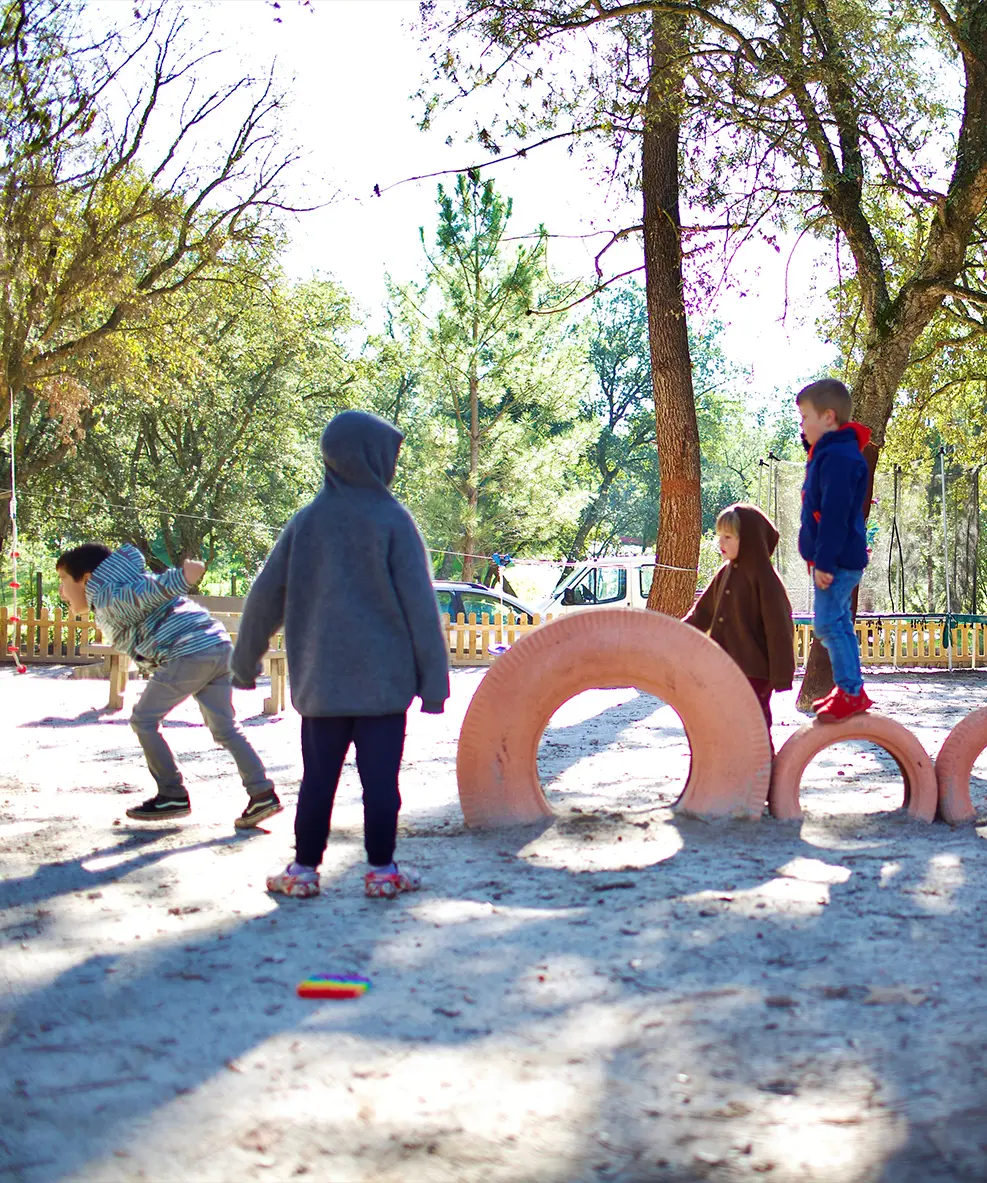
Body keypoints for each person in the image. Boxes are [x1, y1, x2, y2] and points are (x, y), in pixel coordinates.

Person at [231, 409, 450, 900]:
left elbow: (265, 597)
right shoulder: (394, 520)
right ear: (372, 459)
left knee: (318, 783)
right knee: (381, 785)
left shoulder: (306, 523)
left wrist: (244, 664)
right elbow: (421, 607)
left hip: (322, 688)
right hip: (384, 692)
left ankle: (304, 870)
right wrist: (433, 683)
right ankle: (382, 870)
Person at [56, 544, 281, 827]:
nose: (62, 591)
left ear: (87, 579)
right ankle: (261, 792)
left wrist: (180, 578)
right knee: (225, 728)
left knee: (143, 719)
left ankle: (172, 793)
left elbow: (145, 595)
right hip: (216, 646)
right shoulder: (122, 587)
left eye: (64, 580)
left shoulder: (109, 597)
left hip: (188, 652)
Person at [684, 504, 794, 747]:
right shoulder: (724, 573)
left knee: (754, 724)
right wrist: (677, 634)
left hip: (754, 673)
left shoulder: (765, 579)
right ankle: (733, 771)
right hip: (724, 667)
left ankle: (764, 772)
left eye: (728, 537)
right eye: (719, 536)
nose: (720, 542)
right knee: (724, 722)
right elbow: (702, 614)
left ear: (750, 540)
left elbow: (780, 630)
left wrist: (781, 676)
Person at [796, 377, 873, 722]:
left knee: (828, 624)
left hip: (837, 559)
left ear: (828, 417)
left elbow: (835, 514)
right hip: (835, 558)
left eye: (804, 418)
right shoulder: (832, 453)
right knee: (837, 623)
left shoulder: (839, 458)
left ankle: (851, 692)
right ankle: (851, 689)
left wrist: (824, 560)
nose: (801, 425)